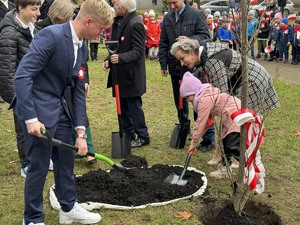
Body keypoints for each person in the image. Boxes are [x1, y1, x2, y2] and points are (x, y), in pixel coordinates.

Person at [10, 0, 113, 224]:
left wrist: (80, 131)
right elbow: (22, 76)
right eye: (101, 28)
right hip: (37, 108)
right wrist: (31, 119)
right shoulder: (51, 36)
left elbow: (77, 88)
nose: (102, 34)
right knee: (38, 166)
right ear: (88, 21)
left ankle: (68, 208)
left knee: (65, 161)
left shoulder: (82, 45)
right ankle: (33, 218)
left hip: (59, 107)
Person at [170, 38, 280, 163]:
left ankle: (240, 161)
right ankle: (222, 156)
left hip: (251, 81)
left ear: (190, 52)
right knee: (230, 117)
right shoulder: (205, 57)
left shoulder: (212, 61)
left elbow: (222, 96)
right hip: (240, 81)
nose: (181, 63)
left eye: (182, 58)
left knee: (240, 119)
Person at [36, 0, 97, 165]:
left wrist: (84, 80)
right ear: (57, 17)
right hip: (53, 84)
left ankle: (87, 149)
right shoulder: (42, 30)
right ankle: (59, 150)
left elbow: (82, 59)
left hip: (72, 80)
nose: (69, 22)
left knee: (78, 111)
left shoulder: (76, 32)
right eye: (66, 19)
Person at [158, 0, 213, 150]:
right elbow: (163, 42)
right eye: (169, 3)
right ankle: (184, 126)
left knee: (200, 100)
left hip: (194, 67)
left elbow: (205, 36)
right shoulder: (168, 18)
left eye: (174, 2)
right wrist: (163, 63)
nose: (172, 6)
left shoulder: (196, 14)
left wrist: (190, 40)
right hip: (176, 67)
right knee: (179, 100)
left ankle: (207, 137)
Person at [0, 0, 43, 178]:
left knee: (39, 126)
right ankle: (26, 163)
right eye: (34, 9)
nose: (38, 13)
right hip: (21, 93)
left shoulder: (35, 29)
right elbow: (6, 71)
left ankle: (39, 158)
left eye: (39, 8)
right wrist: (17, 101)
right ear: (20, 8)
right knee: (23, 128)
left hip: (37, 90)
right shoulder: (9, 33)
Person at [102, 0, 150, 148]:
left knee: (134, 106)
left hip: (132, 74)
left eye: (116, 5)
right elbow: (115, 46)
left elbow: (138, 51)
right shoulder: (119, 22)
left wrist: (120, 58)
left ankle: (143, 135)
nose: (114, 7)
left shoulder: (135, 24)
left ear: (123, 8)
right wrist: (108, 59)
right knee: (122, 104)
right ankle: (128, 132)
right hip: (120, 73)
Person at [180, 71, 241, 178]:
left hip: (235, 116)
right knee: (224, 142)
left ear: (193, 91)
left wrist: (194, 142)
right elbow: (205, 124)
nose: (187, 100)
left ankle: (249, 168)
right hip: (229, 116)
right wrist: (196, 139)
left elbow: (200, 122)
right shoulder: (205, 94)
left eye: (187, 96)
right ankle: (225, 169)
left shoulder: (203, 100)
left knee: (231, 146)